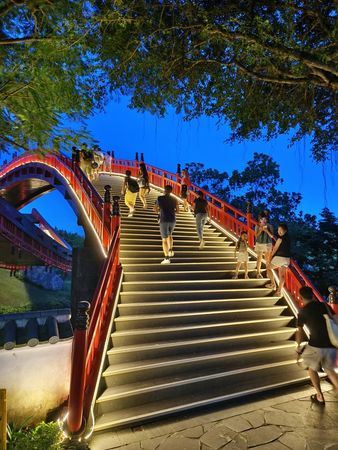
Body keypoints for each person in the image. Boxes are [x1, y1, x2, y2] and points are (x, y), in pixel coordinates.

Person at [296, 286, 338, 405]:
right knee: (330, 370)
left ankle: (319, 395)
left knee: (311, 369)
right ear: (313, 295)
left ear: (301, 297)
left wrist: (298, 346)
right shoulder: (324, 305)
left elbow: (299, 331)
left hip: (315, 345)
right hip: (331, 344)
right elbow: (335, 320)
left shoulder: (302, 311)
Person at [155, 185, 179, 264]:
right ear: (171, 191)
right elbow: (178, 211)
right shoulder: (174, 199)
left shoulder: (160, 198)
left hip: (164, 220)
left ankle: (166, 258)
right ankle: (170, 249)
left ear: (164, 190)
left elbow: (155, 209)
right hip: (172, 220)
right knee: (170, 234)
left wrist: (160, 210)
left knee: (164, 239)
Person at [266, 223, 290, 296]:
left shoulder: (280, 239)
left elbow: (275, 249)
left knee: (268, 267)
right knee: (281, 276)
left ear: (285, 230)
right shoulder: (289, 238)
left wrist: (270, 257)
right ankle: (279, 291)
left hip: (280, 258)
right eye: (278, 230)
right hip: (287, 259)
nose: (279, 231)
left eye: (280, 230)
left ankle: (273, 284)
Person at [254, 212, 273, 278]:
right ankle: (258, 273)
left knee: (267, 259)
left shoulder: (269, 226)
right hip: (259, 243)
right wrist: (261, 230)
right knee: (259, 258)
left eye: (265, 219)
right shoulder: (257, 226)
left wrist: (267, 230)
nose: (264, 220)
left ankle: (268, 273)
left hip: (268, 243)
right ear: (259, 219)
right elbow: (256, 235)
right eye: (262, 219)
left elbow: (271, 236)